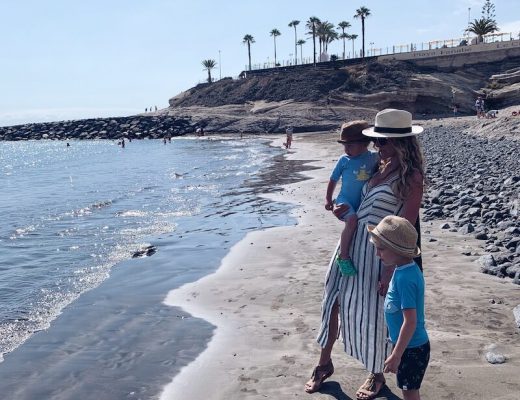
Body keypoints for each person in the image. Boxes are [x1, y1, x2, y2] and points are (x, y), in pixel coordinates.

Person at [305, 109, 425, 400]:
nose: (377, 147)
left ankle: (377, 374)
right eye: (376, 142)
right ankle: (324, 363)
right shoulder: (376, 167)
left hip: (379, 255)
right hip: (349, 247)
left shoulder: (412, 177)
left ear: (402, 143)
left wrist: (389, 270)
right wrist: (340, 211)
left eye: (382, 142)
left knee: (373, 313)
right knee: (332, 300)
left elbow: (406, 226)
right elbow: (359, 204)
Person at [368, 215, 429, 400]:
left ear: (397, 250)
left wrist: (396, 355)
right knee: (407, 389)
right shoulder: (404, 269)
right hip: (409, 347)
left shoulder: (405, 278)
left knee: (409, 392)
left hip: (412, 349)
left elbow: (410, 322)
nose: (377, 254)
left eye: (381, 249)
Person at [325, 121, 379, 276]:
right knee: (352, 221)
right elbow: (333, 180)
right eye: (344, 145)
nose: (346, 149)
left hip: (362, 200)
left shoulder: (374, 158)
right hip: (345, 199)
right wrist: (329, 200)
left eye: (350, 145)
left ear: (365, 144)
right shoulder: (344, 160)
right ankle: (343, 256)